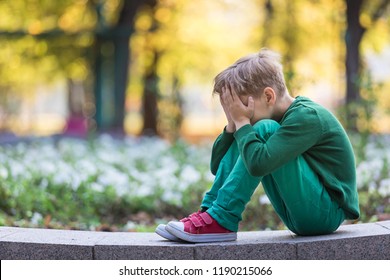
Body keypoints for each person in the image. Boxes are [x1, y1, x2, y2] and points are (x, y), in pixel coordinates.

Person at [155, 49, 360, 243]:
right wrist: (233, 126)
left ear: (268, 96)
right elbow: (217, 167)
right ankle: (211, 215)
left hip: (326, 213)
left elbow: (258, 165)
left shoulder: (307, 116)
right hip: (299, 212)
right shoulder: (267, 118)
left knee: (263, 129)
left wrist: (244, 125)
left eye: (243, 108)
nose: (240, 114)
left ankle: (221, 220)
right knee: (254, 134)